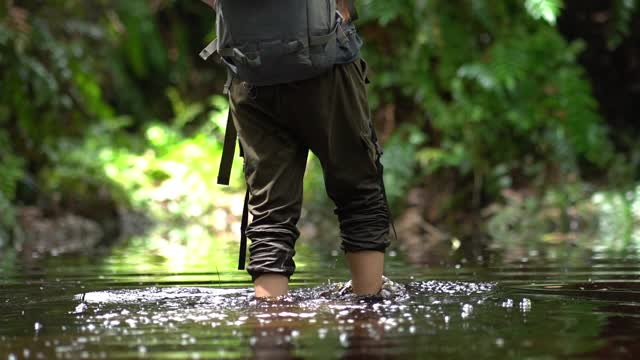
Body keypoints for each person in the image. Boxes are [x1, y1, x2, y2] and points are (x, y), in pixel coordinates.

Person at [199, 0, 391, 298]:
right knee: (358, 193)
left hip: (251, 74)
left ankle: (271, 324)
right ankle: (368, 313)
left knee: (269, 213)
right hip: (328, 66)